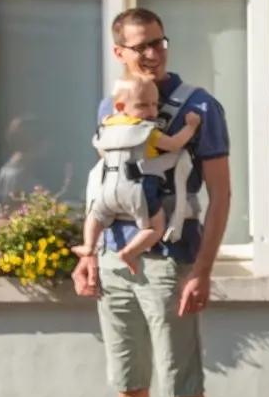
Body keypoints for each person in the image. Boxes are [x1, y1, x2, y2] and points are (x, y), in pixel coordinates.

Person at [72, 9, 233, 397]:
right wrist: (87, 253)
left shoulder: (199, 107)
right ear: (119, 52)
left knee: (182, 385)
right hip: (117, 258)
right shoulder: (111, 103)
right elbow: (104, 183)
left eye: (159, 43)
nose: (152, 53)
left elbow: (220, 195)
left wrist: (204, 269)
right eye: (140, 46)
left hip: (171, 262)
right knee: (128, 382)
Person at [84, 72, 206, 267]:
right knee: (156, 228)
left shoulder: (107, 125)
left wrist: (108, 121)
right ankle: (130, 252)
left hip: (107, 192)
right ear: (120, 107)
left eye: (154, 105)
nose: (151, 111)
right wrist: (191, 127)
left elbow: (101, 152)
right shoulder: (146, 130)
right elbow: (174, 144)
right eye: (143, 105)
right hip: (138, 190)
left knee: (94, 217)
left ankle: (88, 247)